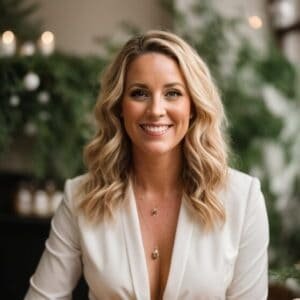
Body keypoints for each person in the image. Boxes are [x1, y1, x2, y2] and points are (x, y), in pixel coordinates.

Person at [25, 30, 269, 300]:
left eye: (173, 93)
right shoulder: (81, 197)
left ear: (193, 106)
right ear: (119, 106)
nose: (155, 109)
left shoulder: (243, 198)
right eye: (139, 93)